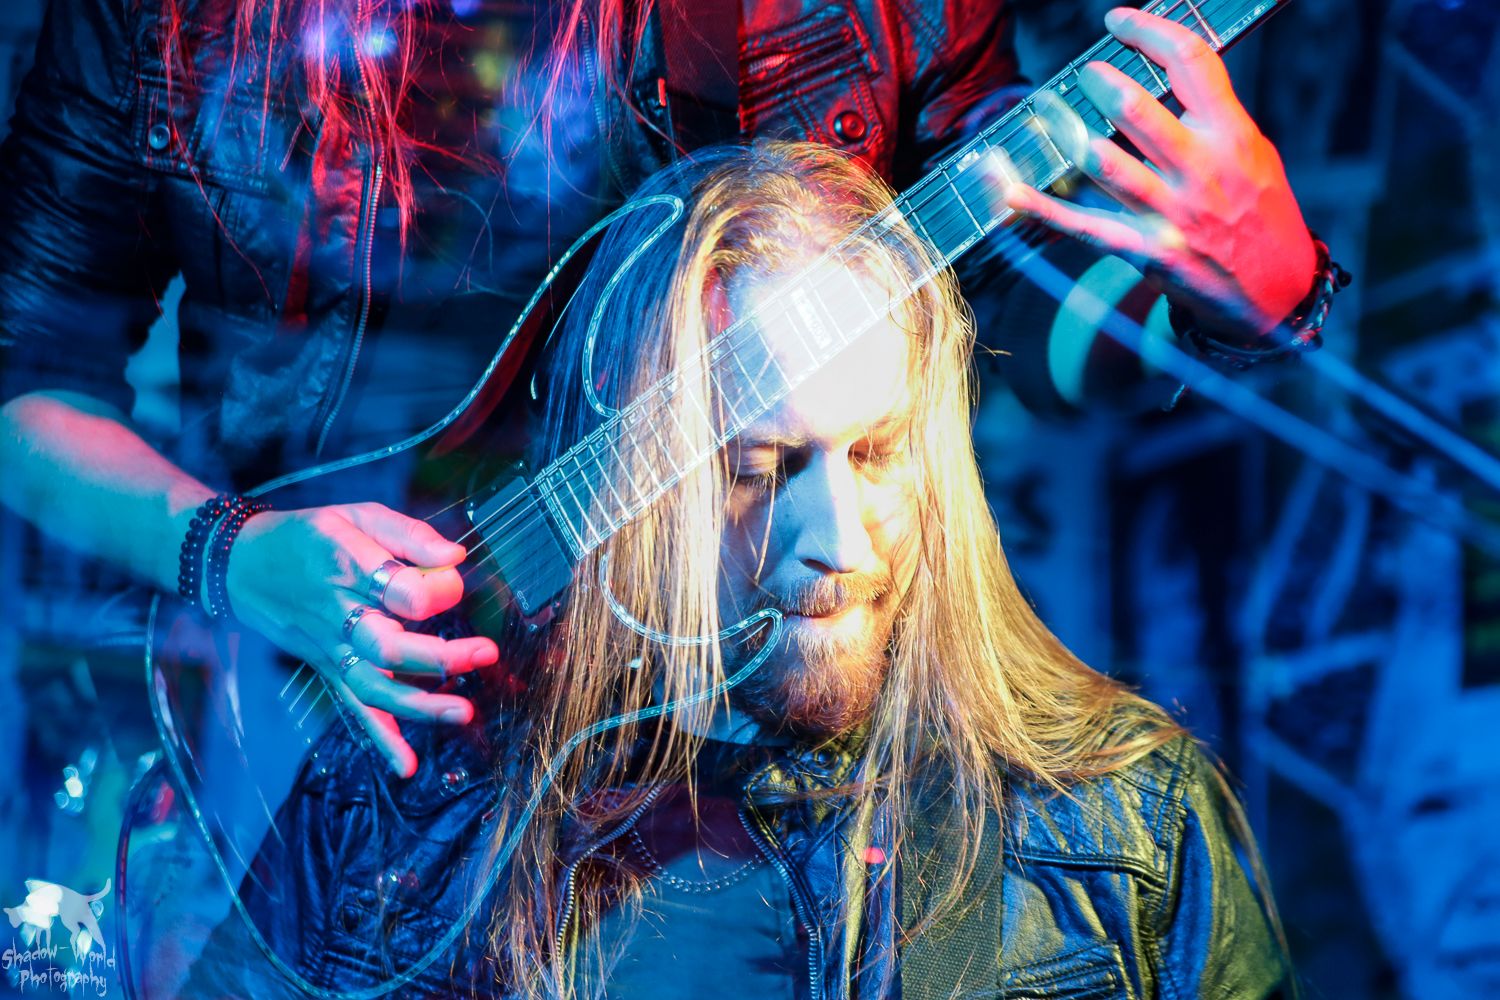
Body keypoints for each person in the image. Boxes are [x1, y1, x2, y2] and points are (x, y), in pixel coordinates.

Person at [168, 138, 1291, 999]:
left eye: (876, 454)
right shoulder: (400, 812)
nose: (840, 541)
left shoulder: (1124, 820)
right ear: (622, 487)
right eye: (758, 468)